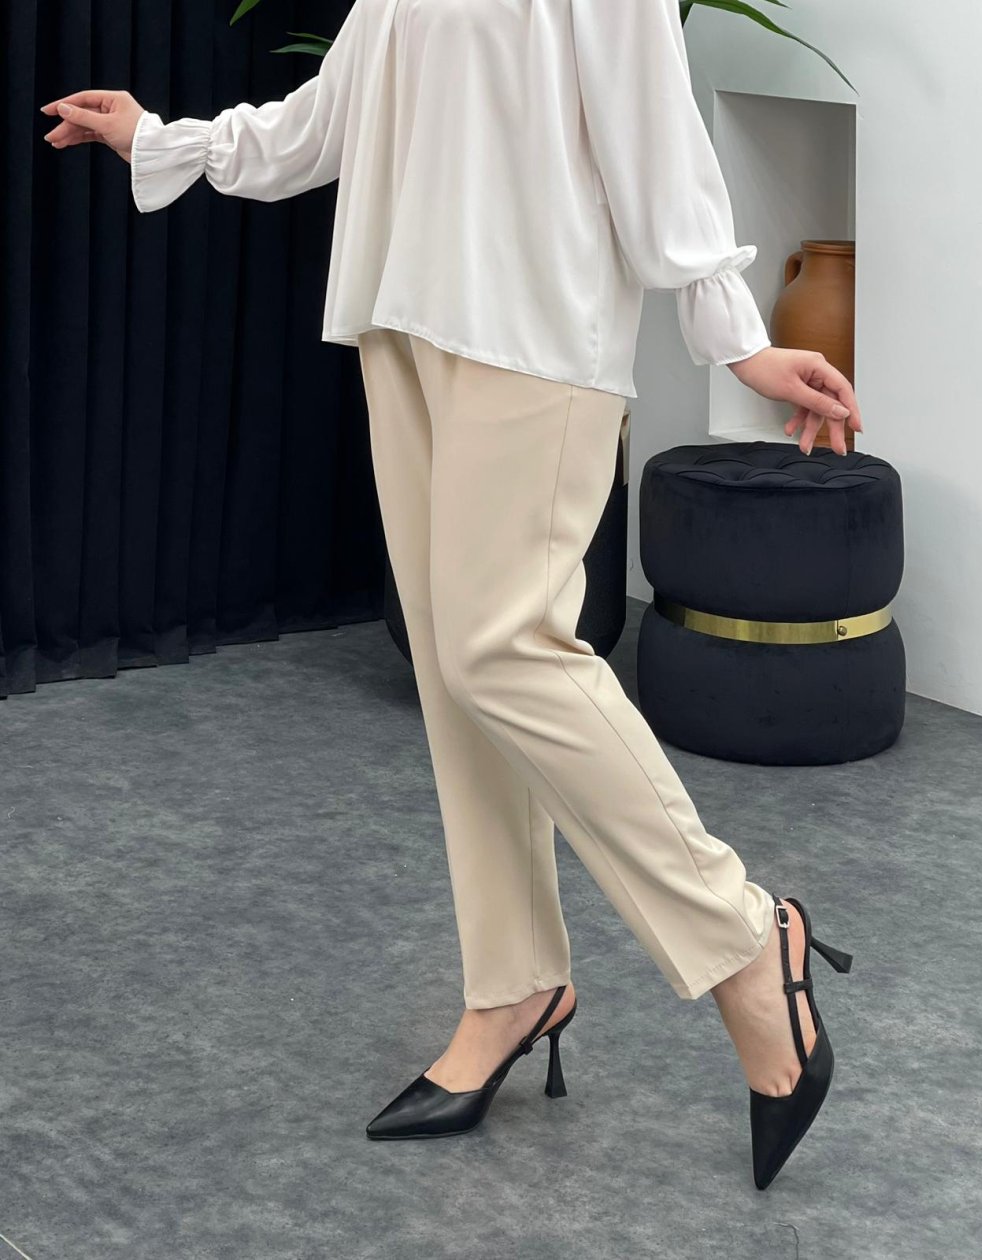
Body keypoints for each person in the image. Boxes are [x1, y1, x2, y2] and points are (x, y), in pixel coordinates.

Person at [41, 0, 860, 1190]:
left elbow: (653, 134)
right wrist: (162, 138)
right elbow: (332, 122)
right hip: (404, 323)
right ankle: (513, 983)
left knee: (500, 648)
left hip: (536, 335)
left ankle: (744, 940)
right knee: (453, 669)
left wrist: (735, 338)